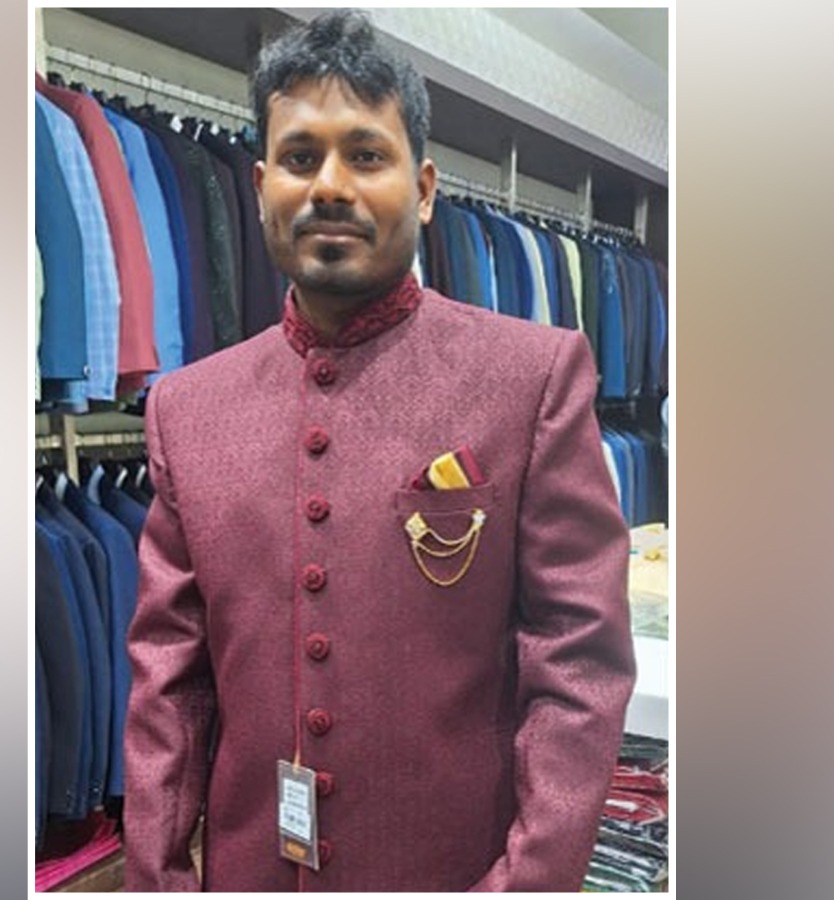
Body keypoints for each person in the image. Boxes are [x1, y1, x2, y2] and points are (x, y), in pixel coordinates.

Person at [122, 10, 636, 892]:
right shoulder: (187, 409)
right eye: (299, 158)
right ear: (260, 188)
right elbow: (168, 687)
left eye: (366, 155)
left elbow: (577, 668)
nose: (329, 186)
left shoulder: (529, 379)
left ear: (424, 188)